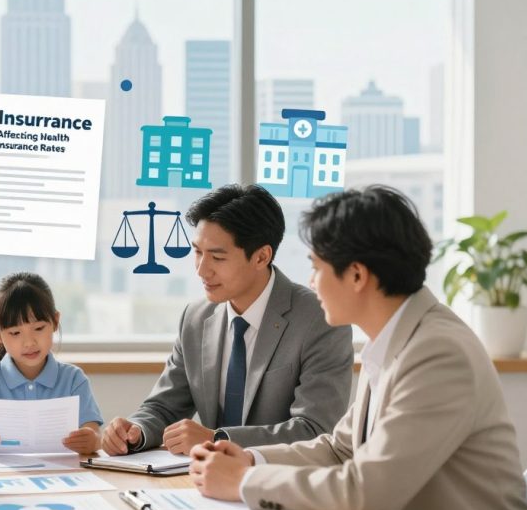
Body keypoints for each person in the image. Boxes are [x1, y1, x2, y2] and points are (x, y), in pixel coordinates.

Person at [189, 185, 527, 510]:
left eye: (317, 267)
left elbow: (366, 493)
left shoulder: (439, 354)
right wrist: (252, 460)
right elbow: (340, 450)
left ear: (356, 275)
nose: (310, 282)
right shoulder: (392, 339)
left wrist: (245, 481)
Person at [102, 184, 353, 457]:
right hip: (205, 483)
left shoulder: (321, 319)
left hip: (281, 484)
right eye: (197, 252)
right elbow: (164, 407)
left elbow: (315, 429)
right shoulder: (195, 318)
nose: (201, 270)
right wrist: (136, 430)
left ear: (261, 256)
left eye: (217, 257)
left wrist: (218, 438)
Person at [0, 272, 103, 454]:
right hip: (4, 477)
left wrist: (92, 441)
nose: (29, 342)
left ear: (55, 321)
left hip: (61, 477)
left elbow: (95, 435)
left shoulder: (73, 379)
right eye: (15, 333)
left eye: (39, 328)